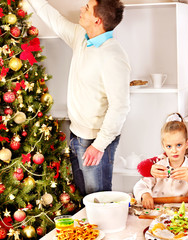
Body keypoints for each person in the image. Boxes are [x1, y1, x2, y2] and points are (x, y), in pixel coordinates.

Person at [27, 0, 131, 195]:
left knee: (98, 201)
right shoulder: (80, 37)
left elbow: (120, 107)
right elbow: (54, 19)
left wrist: (98, 146)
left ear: (98, 20)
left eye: (87, 7)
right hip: (77, 135)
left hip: (95, 141)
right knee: (84, 199)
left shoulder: (113, 56)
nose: (81, 9)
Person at [133, 113, 188, 209]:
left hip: (186, 213)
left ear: (187, 143)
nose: (174, 150)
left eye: (179, 145)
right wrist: (145, 194)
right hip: (159, 212)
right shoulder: (158, 167)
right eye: (169, 146)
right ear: (163, 146)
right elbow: (139, 186)